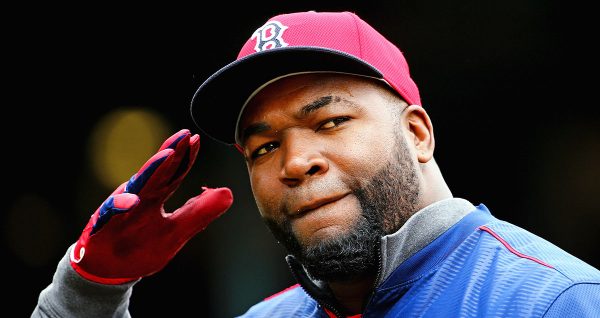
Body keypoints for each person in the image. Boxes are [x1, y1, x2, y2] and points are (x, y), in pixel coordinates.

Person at [32, 11, 600, 318]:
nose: (296, 161)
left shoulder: (557, 301)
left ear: (417, 133)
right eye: (262, 148)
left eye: (330, 122)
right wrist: (88, 297)